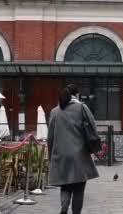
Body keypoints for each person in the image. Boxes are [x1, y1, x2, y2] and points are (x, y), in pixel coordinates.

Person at [48, 84, 99, 214]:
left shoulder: (54, 111)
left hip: (60, 155)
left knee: (65, 185)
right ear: (76, 95)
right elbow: (93, 127)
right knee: (78, 188)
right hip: (79, 154)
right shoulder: (81, 107)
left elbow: (50, 137)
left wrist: (51, 156)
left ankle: (64, 207)